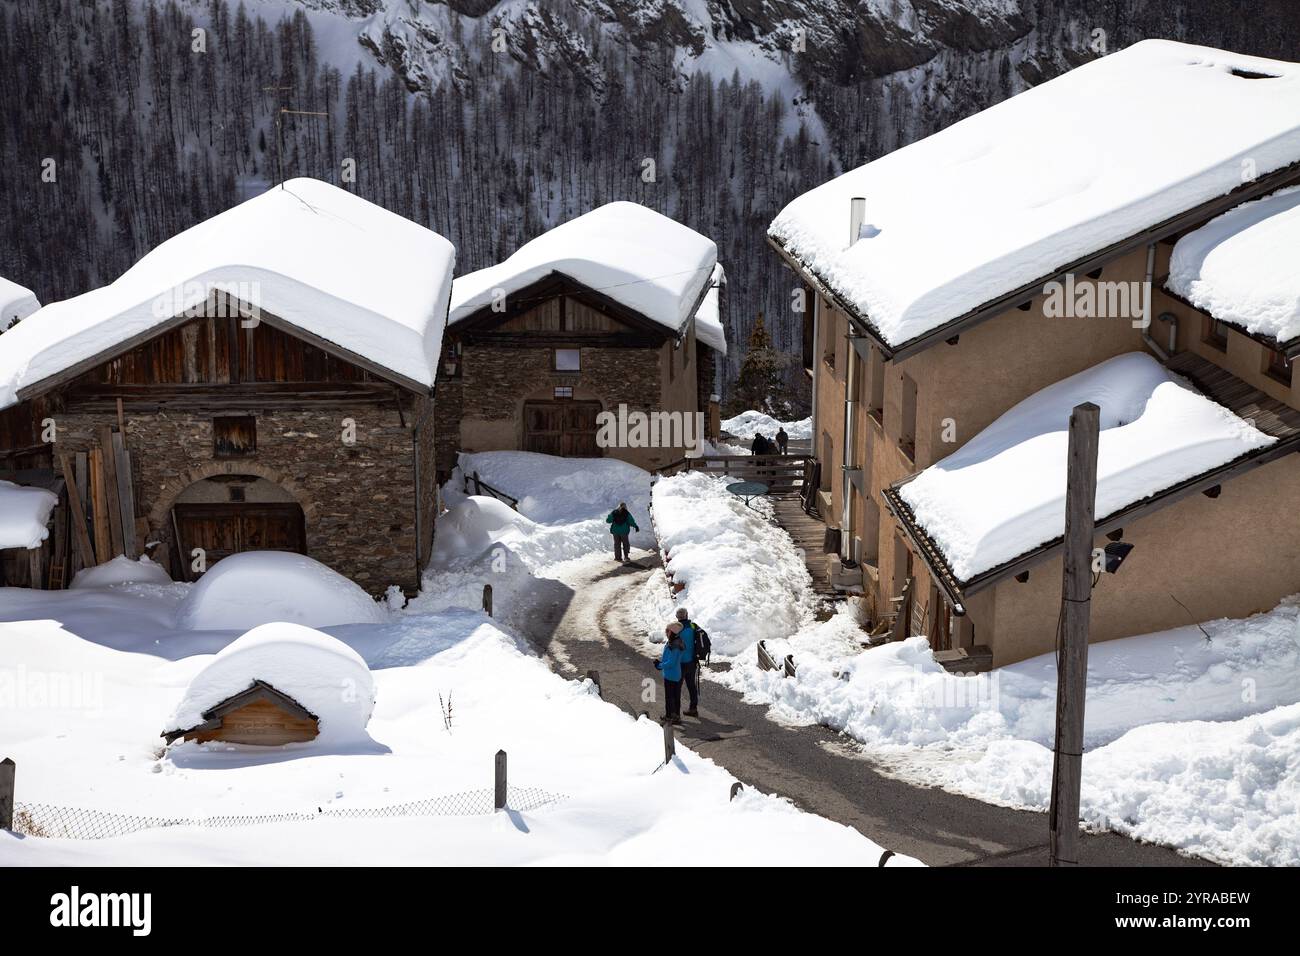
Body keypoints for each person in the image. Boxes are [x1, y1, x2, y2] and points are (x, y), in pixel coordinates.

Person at [666, 607, 699, 717]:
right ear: (687, 615)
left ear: (677, 617)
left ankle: (676, 714)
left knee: (676, 688)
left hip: (679, 663)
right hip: (692, 662)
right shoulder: (693, 626)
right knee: (691, 685)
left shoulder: (676, 628)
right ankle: (693, 708)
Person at [654, 627, 685, 724]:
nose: (666, 633)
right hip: (675, 674)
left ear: (671, 632)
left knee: (670, 697)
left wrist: (660, 665)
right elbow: (669, 659)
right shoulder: (676, 642)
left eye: (667, 631)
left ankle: (670, 717)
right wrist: (661, 662)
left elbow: (671, 662)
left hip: (671, 675)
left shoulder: (674, 645)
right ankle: (675, 716)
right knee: (675, 696)